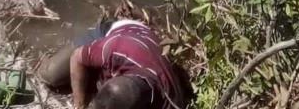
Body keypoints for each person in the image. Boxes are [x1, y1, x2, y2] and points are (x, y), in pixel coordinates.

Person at [36, 18, 193, 109]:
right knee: (51, 74)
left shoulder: (170, 101)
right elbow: (77, 57)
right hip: (119, 32)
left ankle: (94, 76)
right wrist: (80, 104)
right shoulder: (116, 49)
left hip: (141, 54)